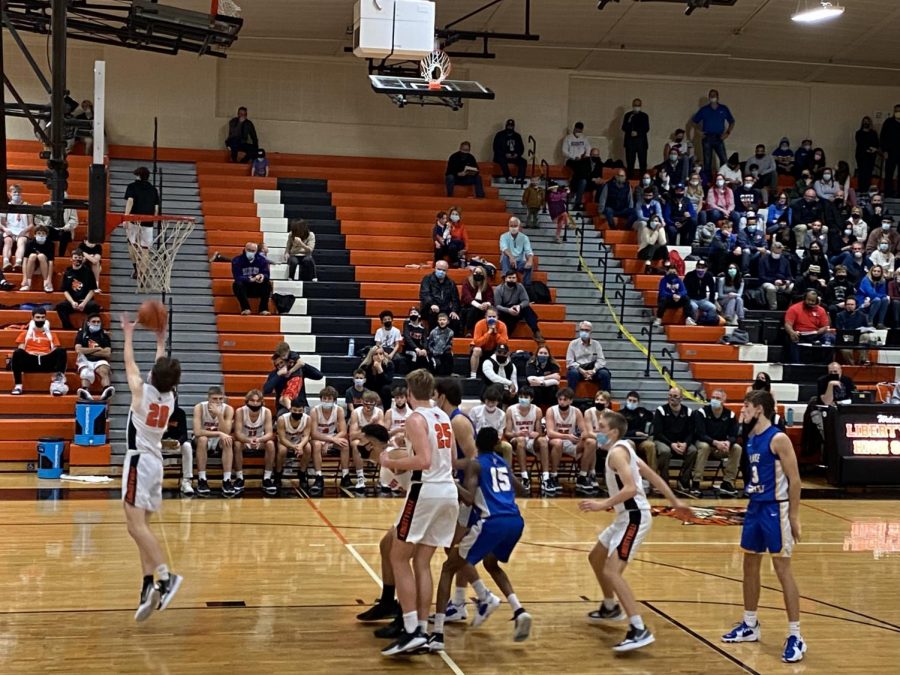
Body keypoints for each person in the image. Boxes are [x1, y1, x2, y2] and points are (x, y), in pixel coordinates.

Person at [580, 410, 690, 652]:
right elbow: (654, 476)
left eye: (600, 427)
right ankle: (610, 607)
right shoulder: (625, 448)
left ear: (613, 432)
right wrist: (676, 503)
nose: (596, 431)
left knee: (612, 570)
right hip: (624, 517)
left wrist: (601, 505)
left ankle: (638, 628)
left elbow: (630, 489)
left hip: (634, 517)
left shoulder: (618, 453)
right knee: (595, 557)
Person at [378, 369, 459, 656]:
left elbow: (424, 460)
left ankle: (411, 629)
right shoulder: (443, 417)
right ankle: (423, 630)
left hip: (425, 491)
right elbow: (448, 457)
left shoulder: (414, 418)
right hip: (448, 490)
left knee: (398, 556)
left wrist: (390, 458)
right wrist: (407, 439)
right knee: (422, 562)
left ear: (409, 393)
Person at [721, 390, 806, 664]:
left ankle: (796, 635)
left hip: (776, 508)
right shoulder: (750, 438)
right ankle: (750, 624)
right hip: (755, 506)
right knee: (749, 564)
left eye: (745, 406)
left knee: (782, 569)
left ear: (759, 409)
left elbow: (795, 480)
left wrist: (794, 516)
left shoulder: (778, 438)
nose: (741, 411)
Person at [431, 426, 533, 651]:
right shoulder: (502, 462)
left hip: (491, 522)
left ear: (476, 443)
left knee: (449, 567)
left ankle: (437, 633)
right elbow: (523, 491)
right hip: (515, 521)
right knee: (490, 563)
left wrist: (451, 482)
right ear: (497, 443)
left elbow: (468, 499)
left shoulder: (476, 464)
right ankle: (518, 609)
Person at [119, 310, 183, 622]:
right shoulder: (170, 397)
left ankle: (166, 577)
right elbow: (160, 370)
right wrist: (161, 340)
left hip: (138, 461)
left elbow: (129, 364)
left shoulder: (139, 392)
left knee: (134, 526)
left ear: (153, 377)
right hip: (155, 463)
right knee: (142, 528)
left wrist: (128, 333)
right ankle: (147, 585)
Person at [639, 387, 697, 491]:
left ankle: (683, 480)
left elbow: (691, 432)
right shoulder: (661, 410)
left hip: (681, 441)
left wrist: (686, 444)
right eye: (670, 395)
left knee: (692, 450)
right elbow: (658, 433)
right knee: (665, 451)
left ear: (681, 398)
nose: (672, 398)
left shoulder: (688, 412)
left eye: (675, 396)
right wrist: (671, 444)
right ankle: (663, 480)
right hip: (663, 440)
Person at [546, 387, 597, 496]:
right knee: (558, 442)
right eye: (560, 399)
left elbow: (584, 431)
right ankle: (554, 475)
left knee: (591, 442)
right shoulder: (551, 410)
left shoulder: (576, 411)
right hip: (554, 442)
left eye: (565, 400)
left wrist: (579, 437)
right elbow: (550, 433)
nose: (562, 402)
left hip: (571, 442)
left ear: (571, 400)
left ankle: (582, 476)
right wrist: (568, 436)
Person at [691, 389, 741, 497]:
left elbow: (734, 435)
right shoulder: (702, 412)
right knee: (704, 447)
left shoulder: (730, 414)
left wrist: (728, 443)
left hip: (721, 447)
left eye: (718, 398)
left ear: (724, 400)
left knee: (737, 448)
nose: (714, 400)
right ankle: (696, 482)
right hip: (706, 444)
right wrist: (715, 442)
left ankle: (727, 482)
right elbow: (701, 434)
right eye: (713, 397)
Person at [10, 308, 69, 396]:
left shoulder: (52, 335)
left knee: (61, 351)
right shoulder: (24, 334)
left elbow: (54, 350)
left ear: (45, 318)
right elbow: (21, 349)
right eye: (38, 317)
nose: (40, 320)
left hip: (46, 361)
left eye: (42, 317)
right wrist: (30, 353)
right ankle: (18, 386)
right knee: (17, 352)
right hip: (30, 361)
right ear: (33, 318)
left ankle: (57, 385)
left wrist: (46, 354)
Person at [192, 386, 235, 497]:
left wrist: (219, 415)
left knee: (228, 440)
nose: (218, 402)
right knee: (202, 439)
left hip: (219, 439)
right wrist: (219, 433)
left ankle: (227, 480)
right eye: (215, 399)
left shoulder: (228, 409)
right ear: (208, 398)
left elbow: (226, 431)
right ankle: (202, 479)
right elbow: (197, 432)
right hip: (203, 438)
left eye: (221, 399)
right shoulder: (199, 407)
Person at [231, 389, 275, 497]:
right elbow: (237, 433)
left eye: (258, 401)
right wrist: (248, 440)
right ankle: (239, 478)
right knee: (236, 444)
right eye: (252, 400)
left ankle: (267, 478)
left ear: (261, 402)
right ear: (247, 401)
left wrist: (259, 440)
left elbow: (269, 433)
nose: (255, 403)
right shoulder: (240, 411)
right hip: (245, 440)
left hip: (259, 440)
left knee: (270, 444)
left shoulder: (266, 412)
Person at [504, 386, 547, 494]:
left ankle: (546, 477)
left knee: (543, 441)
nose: (523, 399)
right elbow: (507, 433)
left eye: (526, 397)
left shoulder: (537, 410)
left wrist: (535, 434)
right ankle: (525, 476)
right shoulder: (511, 410)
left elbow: (540, 433)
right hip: (516, 439)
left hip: (531, 440)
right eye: (521, 396)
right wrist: (516, 433)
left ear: (531, 399)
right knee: (521, 440)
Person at [310, 387, 348, 496]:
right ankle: (318, 476)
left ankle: (345, 476)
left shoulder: (339, 410)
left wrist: (330, 441)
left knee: (345, 444)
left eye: (329, 398)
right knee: (317, 445)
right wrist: (330, 440)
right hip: (318, 438)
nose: (327, 401)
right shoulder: (315, 411)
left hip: (331, 438)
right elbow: (313, 433)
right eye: (324, 398)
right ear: (321, 399)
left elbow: (343, 431)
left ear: (334, 400)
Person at [122, 168, 160, 276]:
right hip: (148, 221)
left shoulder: (132, 186)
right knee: (145, 249)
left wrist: (126, 217)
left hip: (134, 220)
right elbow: (156, 207)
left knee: (131, 243)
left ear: (138, 175)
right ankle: (143, 273)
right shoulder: (153, 189)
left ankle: (136, 268)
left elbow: (130, 200)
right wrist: (154, 218)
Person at [347, 390, 384, 495]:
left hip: (372, 440)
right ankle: (360, 477)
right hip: (360, 440)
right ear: (362, 402)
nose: (368, 405)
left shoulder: (379, 413)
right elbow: (353, 435)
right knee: (355, 444)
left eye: (371, 402)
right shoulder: (356, 413)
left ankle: (382, 478)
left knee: (383, 446)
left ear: (375, 403)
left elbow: (382, 434)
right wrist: (371, 425)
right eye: (366, 401)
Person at [691, 89, 735, 176]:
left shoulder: (723, 108)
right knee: (707, 161)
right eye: (711, 95)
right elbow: (694, 122)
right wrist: (698, 131)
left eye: (714, 95)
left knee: (724, 159)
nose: (712, 96)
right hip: (707, 137)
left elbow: (732, 121)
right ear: (708, 97)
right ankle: (707, 181)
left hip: (719, 137)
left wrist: (727, 133)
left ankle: (722, 178)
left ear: (718, 97)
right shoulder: (704, 109)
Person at [55, 249, 100, 331]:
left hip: (85, 301)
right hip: (72, 301)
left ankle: (86, 328)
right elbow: (65, 290)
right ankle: (68, 328)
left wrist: (83, 303)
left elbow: (92, 290)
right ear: (71, 259)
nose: (77, 260)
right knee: (60, 307)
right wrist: (72, 302)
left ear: (83, 259)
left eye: (79, 258)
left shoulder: (88, 272)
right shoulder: (67, 272)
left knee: (95, 307)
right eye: (75, 257)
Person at [160, 391, 194, 496]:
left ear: (175, 399)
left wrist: (179, 442)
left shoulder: (180, 413)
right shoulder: (156, 412)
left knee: (187, 446)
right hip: (159, 445)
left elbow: (184, 434)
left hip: (175, 445)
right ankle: (153, 482)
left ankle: (186, 481)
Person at [276, 398, 313, 494]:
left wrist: (300, 446)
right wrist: (294, 447)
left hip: (299, 442)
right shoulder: (282, 419)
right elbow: (282, 438)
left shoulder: (307, 419)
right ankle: (278, 474)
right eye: (295, 410)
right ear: (290, 409)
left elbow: (306, 436)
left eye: (300, 411)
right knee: (282, 450)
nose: (297, 412)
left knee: (308, 447)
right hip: (285, 442)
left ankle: (302, 473)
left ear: (303, 410)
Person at [494, 270, 543, 343]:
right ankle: (505, 336)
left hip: (517, 307)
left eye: (513, 278)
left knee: (527, 309)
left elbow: (526, 300)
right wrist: (508, 310)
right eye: (509, 278)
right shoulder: (499, 289)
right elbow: (497, 306)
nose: (511, 279)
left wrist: (519, 306)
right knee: (510, 320)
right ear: (505, 279)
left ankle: (536, 332)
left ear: (516, 279)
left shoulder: (520, 286)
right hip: (505, 310)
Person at [75, 313, 114, 401]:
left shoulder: (104, 336)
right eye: (94, 322)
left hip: (99, 360)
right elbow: (78, 350)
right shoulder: (82, 334)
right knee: (86, 372)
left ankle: (106, 389)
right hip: (84, 359)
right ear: (88, 323)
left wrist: (87, 351)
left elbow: (107, 353)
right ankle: (85, 391)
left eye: (98, 322)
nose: (96, 324)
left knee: (104, 370)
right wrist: (98, 349)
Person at [784, 290, 830, 363]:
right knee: (793, 339)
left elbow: (825, 326)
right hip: (800, 334)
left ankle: (823, 365)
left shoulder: (821, 310)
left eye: (813, 301)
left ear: (816, 301)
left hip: (815, 334)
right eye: (808, 300)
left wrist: (822, 330)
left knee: (829, 339)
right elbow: (787, 324)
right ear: (804, 299)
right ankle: (796, 365)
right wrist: (791, 332)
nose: (810, 302)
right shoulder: (794, 308)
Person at [565, 321, 611, 392]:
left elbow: (601, 360)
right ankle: (570, 399)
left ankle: (604, 400)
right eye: (582, 330)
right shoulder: (573, 344)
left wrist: (593, 371)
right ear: (579, 330)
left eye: (587, 330)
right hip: (579, 369)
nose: (584, 332)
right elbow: (569, 362)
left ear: (591, 332)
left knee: (604, 374)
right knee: (572, 373)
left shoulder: (596, 344)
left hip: (593, 370)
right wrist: (582, 371)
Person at [419, 260, 461, 334]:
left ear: (447, 271)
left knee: (455, 319)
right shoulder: (427, 279)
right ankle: (431, 337)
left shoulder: (451, 283)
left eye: (443, 270)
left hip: (445, 309)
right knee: (433, 314)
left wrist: (454, 311)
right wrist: (432, 304)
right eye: (439, 269)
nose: (441, 271)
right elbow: (424, 294)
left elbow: (455, 299)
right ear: (435, 268)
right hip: (430, 308)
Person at [231, 242, 271, 315]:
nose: (250, 252)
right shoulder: (237, 260)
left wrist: (262, 276)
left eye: (253, 251)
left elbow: (267, 275)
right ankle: (245, 308)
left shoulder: (262, 260)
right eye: (248, 250)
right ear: (245, 249)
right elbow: (237, 276)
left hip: (257, 287)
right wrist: (249, 279)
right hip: (244, 289)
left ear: (256, 251)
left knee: (267, 284)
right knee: (236, 284)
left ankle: (263, 309)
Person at [470, 306, 508, 379]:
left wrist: (496, 334)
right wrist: (488, 333)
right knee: (476, 350)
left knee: (504, 351)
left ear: (497, 317)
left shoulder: (502, 325)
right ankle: (473, 375)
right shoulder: (479, 324)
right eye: (489, 316)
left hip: (494, 350)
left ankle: (501, 375)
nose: (492, 319)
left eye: (494, 317)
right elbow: (477, 342)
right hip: (482, 349)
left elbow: (504, 343)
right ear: (485, 317)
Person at [2, 184, 32, 271]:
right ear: (10, 194)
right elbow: (1, 223)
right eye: (14, 192)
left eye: (18, 192)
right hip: (10, 230)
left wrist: (24, 231)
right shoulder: (6, 205)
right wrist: (6, 229)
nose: (17, 194)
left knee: (21, 242)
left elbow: (31, 224)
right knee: (8, 241)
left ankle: (18, 262)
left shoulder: (27, 205)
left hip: (22, 230)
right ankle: (6, 262)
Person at [834, 297, 872, 365]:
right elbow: (838, 331)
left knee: (866, 336)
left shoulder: (862, 315)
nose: (850, 306)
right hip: (845, 338)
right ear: (845, 305)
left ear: (856, 306)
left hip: (858, 337)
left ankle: (863, 361)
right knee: (846, 350)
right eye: (848, 304)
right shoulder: (839, 315)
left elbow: (866, 328)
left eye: (852, 304)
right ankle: (852, 365)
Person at [759, 242, 794, 310]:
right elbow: (761, 276)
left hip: (782, 283)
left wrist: (788, 281)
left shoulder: (785, 260)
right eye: (776, 250)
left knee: (793, 287)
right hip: (768, 281)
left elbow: (789, 275)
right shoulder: (763, 260)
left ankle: (790, 308)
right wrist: (773, 281)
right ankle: (773, 309)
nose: (778, 252)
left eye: (779, 250)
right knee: (771, 288)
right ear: (772, 249)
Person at [498, 216, 534, 285]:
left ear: (519, 227)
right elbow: (504, 248)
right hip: (507, 261)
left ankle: (526, 286)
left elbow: (528, 251)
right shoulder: (503, 236)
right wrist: (511, 257)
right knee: (505, 256)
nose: (513, 228)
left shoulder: (524, 238)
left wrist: (530, 260)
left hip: (519, 262)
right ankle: (506, 279)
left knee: (530, 265)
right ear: (508, 226)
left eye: (515, 226)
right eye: (511, 226)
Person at [20, 224, 55, 292]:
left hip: (45, 266)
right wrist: (24, 278)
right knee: (32, 255)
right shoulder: (30, 243)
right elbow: (25, 261)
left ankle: (46, 284)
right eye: (39, 233)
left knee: (41, 256)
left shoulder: (50, 244)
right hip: (32, 267)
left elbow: (51, 262)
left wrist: (49, 279)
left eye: (43, 233)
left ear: (46, 235)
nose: (41, 235)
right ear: (35, 235)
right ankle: (28, 283)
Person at [460, 267, 494, 337]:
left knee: (489, 312)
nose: (477, 274)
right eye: (476, 272)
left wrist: (487, 304)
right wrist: (479, 306)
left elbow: (490, 298)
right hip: (468, 307)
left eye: (480, 273)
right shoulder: (467, 283)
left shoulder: (487, 285)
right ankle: (469, 331)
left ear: (483, 275)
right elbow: (467, 298)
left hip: (482, 308)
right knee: (473, 309)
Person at [525, 344, 561, 409]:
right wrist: (550, 377)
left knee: (554, 388)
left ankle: (553, 411)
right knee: (535, 389)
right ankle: (535, 411)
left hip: (548, 390)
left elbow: (556, 380)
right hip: (536, 390)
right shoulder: (531, 363)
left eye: (545, 353)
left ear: (548, 355)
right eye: (541, 353)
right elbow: (530, 379)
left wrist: (541, 383)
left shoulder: (553, 364)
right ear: (537, 354)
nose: (543, 355)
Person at [492, 118, 526, 184]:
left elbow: (521, 148)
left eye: (511, 126)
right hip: (502, 156)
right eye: (509, 125)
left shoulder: (517, 136)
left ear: (513, 126)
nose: (510, 127)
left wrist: (517, 154)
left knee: (523, 161)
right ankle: (508, 177)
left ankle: (519, 178)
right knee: (502, 160)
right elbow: (495, 148)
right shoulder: (499, 135)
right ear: (506, 126)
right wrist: (505, 154)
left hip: (514, 156)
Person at [684, 259, 718, 325]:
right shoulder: (690, 275)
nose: (700, 269)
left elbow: (712, 290)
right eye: (698, 267)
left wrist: (712, 301)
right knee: (694, 307)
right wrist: (687, 299)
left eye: (703, 268)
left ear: (706, 268)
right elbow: (684, 288)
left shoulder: (708, 275)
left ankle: (708, 323)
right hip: (691, 299)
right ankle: (693, 322)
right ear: (696, 267)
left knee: (712, 307)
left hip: (702, 299)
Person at [360, 345, 395, 410]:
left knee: (386, 389)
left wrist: (379, 369)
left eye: (381, 354)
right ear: (371, 356)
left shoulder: (389, 365)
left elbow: (388, 381)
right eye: (376, 354)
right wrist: (374, 395)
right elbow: (364, 384)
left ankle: (387, 412)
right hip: (369, 390)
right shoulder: (365, 367)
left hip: (382, 391)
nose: (379, 356)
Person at [622, 98, 650, 177]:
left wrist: (637, 133)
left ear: (640, 106)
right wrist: (629, 123)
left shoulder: (644, 116)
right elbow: (623, 127)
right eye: (635, 105)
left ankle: (643, 179)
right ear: (632, 105)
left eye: (638, 105)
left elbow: (646, 128)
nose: (636, 107)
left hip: (641, 143)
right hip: (630, 142)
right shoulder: (628, 115)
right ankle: (630, 179)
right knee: (630, 162)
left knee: (642, 162)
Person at [857, 264, 890, 329]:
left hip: (874, 300)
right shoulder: (866, 279)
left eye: (878, 271)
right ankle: (869, 322)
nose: (876, 273)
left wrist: (885, 296)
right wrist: (885, 295)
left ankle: (880, 323)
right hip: (863, 300)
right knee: (877, 299)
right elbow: (871, 294)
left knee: (885, 299)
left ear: (881, 273)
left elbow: (882, 293)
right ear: (871, 272)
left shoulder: (883, 280)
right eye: (874, 271)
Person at [880, 103, 900, 198]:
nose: (897, 113)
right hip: (890, 152)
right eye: (896, 111)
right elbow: (883, 137)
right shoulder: (888, 122)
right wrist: (884, 150)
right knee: (889, 173)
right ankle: (888, 193)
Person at [426, 312, 455, 377]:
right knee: (437, 369)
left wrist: (442, 352)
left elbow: (449, 344)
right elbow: (429, 344)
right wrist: (433, 352)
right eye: (440, 320)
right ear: (437, 321)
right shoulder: (433, 332)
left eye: (444, 320)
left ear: (447, 321)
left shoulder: (451, 332)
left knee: (449, 356)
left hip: (444, 353)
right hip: (434, 353)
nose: (442, 321)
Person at [402, 307, 429, 372]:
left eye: (414, 312)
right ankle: (412, 374)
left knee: (425, 356)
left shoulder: (422, 327)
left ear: (419, 315)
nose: (412, 314)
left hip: (419, 347)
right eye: (411, 313)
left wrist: (424, 349)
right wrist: (415, 348)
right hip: (408, 348)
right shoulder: (407, 323)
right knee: (414, 355)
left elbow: (425, 339)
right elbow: (407, 337)